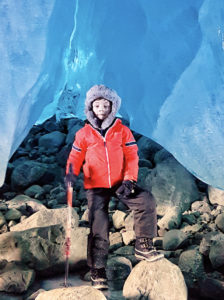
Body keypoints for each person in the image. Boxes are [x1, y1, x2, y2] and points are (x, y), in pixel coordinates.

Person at [65, 84, 164, 290]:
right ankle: (98, 269)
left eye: (105, 105)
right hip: (95, 185)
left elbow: (131, 156)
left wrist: (130, 179)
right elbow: (75, 156)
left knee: (145, 201)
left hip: (121, 182)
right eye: (97, 105)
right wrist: (71, 175)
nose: (101, 109)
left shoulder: (122, 131)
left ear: (112, 106)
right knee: (98, 225)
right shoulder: (84, 134)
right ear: (90, 107)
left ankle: (143, 244)